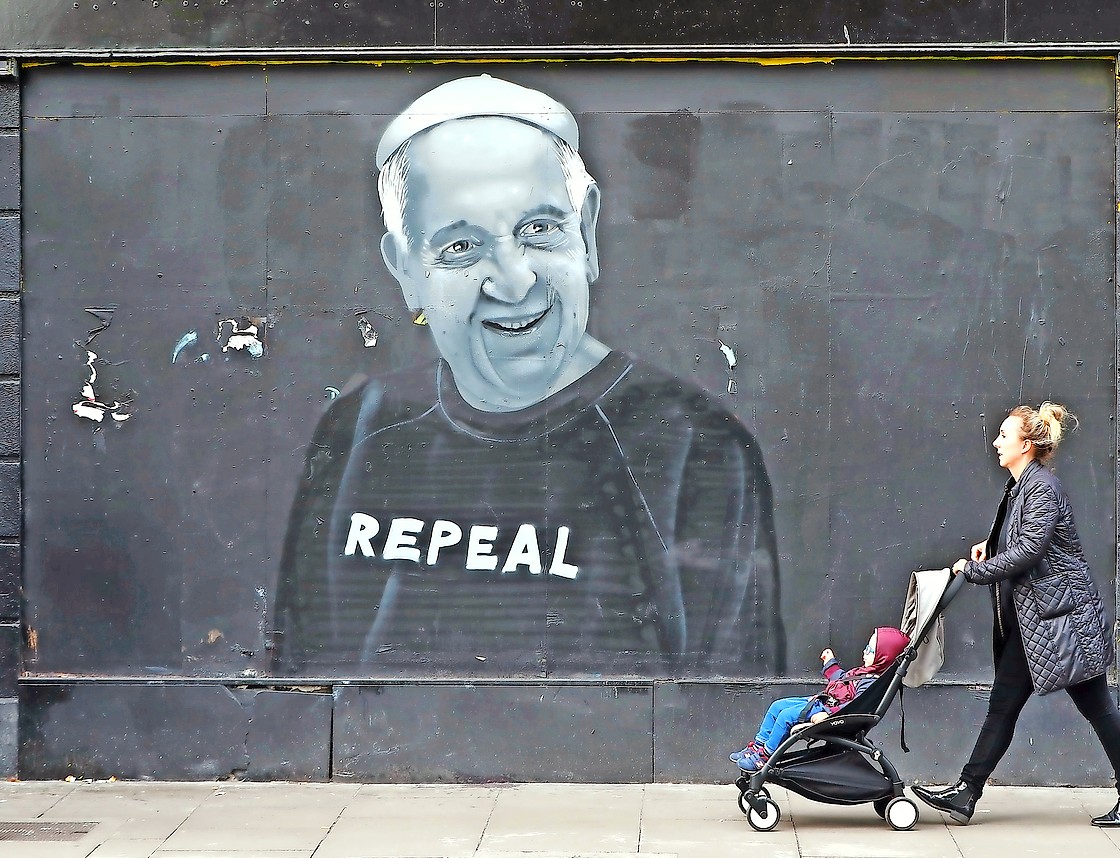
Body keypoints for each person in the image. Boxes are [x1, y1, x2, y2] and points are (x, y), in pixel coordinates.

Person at [272, 75, 783, 678]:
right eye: (462, 247)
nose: (513, 282)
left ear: (588, 233)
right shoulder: (361, 428)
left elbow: (724, 710)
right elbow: (303, 686)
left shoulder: (691, 447)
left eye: (539, 231)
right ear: (405, 270)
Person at [913, 402, 1120, 827]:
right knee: (1003, 707)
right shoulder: (1021, 486)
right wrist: (990, 550)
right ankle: (967, 792)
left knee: (1097, 705)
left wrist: (974, 571)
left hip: (1061, 621)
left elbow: (1030, 552)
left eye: (1003, 436)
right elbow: (1022, 541)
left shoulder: (1041, 487)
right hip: (1038, 623)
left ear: (1026, 444)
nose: (995, 442)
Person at [732, 627, 910, 772]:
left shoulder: (870, 684)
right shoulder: (863, 673)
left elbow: (853, 706)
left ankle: (764, 757)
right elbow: (841, 680)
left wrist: (827, 715)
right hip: (822, 702)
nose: (865, 651)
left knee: (787, 716)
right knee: (777, 706)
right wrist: (830, 662)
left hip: (828, 712)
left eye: (871, 650)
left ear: (883, 657)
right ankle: (757, 747)